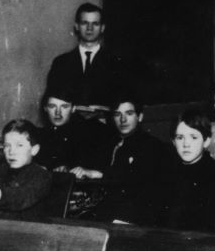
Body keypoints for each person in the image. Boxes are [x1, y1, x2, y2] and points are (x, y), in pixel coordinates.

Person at [74, 96, 172, 224]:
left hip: (133, 216)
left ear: (140, 117)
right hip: (102, 211)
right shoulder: (106, 143)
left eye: (129, 113)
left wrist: (100, 174)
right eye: (117, 114)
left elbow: (136, 179)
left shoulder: (152, 145)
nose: (123, 119)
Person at [160, 107, 215, 231]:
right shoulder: (165, 171)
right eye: (180, 138)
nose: (186, 144)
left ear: (206, 141)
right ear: (173, 142)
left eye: (193, 137)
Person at [44, 2, 125, 110]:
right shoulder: (61, 63)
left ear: (102, 28)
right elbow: (50, 100)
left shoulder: (116, 63)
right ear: (77, 26)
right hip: (70, 126)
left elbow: (123, 101)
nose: (89, 28)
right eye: (84, 23)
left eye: (95, 23)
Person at [33, 88, 108, 173]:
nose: (58, 112)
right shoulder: (39, 135)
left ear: (73, 108)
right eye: (52, 106)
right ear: (45, 108)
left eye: (64, 106)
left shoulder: (89, 132)